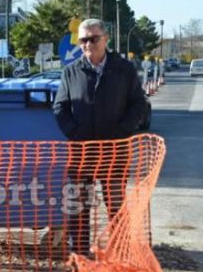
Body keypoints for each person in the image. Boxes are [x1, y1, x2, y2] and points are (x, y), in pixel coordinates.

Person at [53, 19, 146, 255]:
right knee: (79, 206)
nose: (88, 44)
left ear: (106, 39)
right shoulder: (71, 71)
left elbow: (138, 104)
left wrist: (122, 131)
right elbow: (60, 107)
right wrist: (75, 133)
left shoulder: (124, 69)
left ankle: (119, 251)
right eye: (83, 39)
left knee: (115, 204)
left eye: (93, 38)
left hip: (115, 152)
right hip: (82, 153)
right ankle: (81, 253)